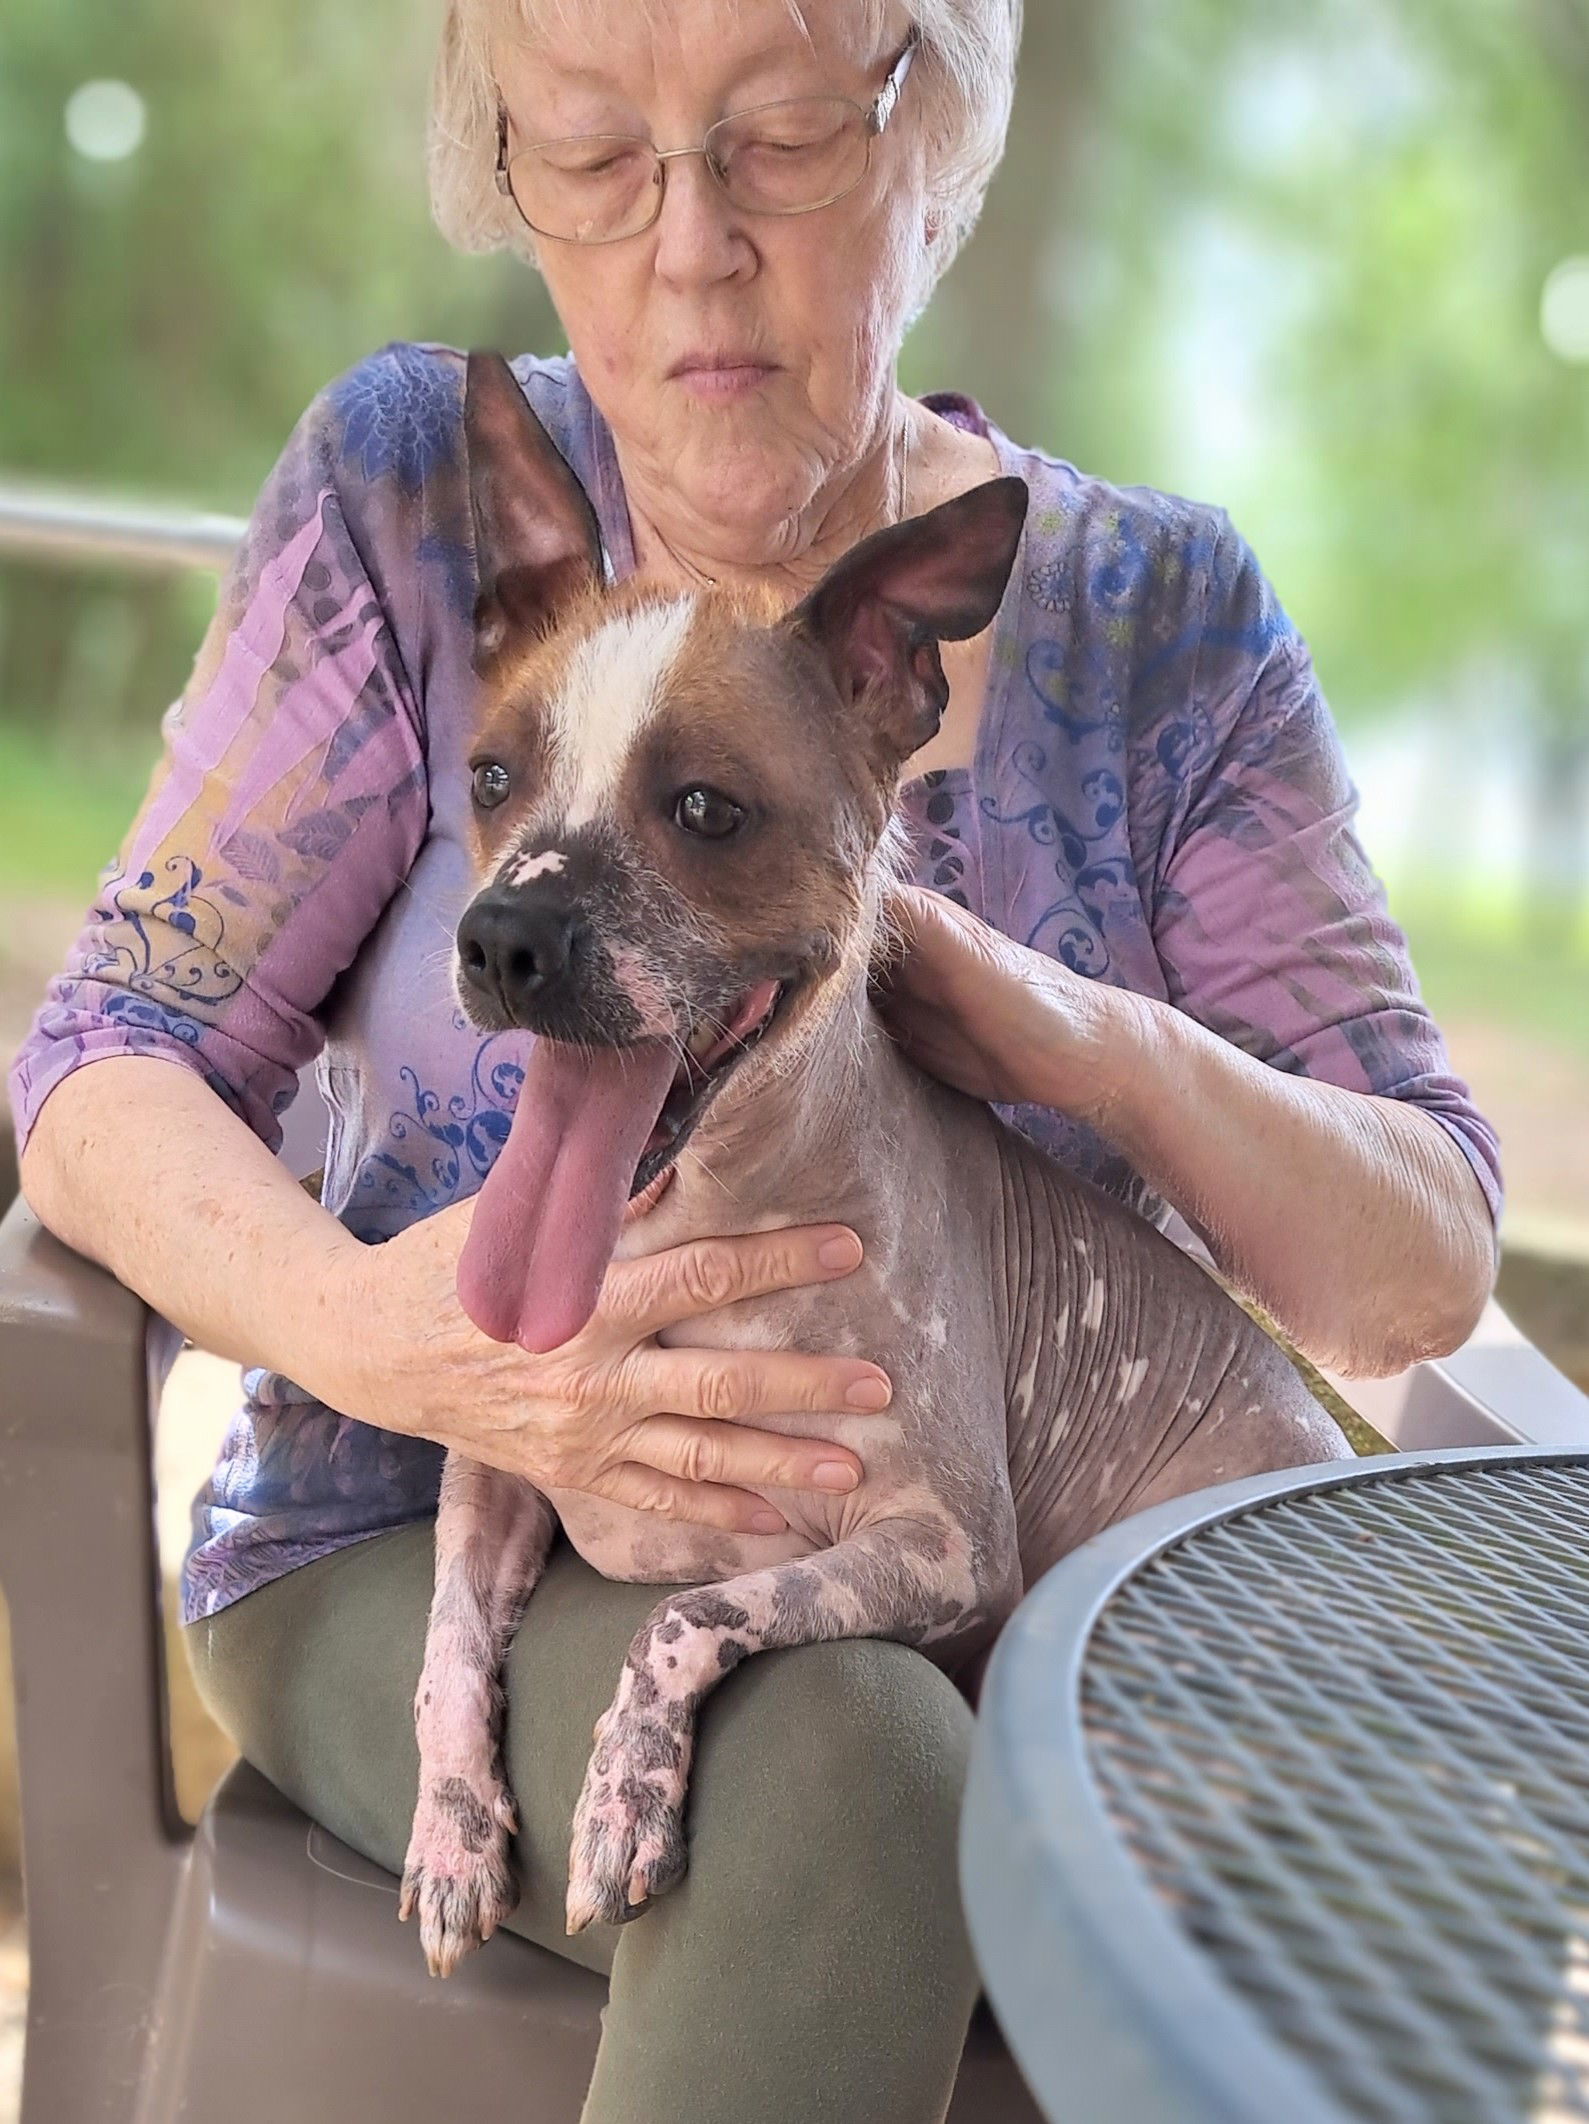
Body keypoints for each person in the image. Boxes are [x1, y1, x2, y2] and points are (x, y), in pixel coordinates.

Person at [10, 2, 1502, 2118]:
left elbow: (1421, 1264)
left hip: (1051, 1586)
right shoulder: (414, 498)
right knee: (853, 1767)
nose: (689, 243)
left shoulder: (1166, 623)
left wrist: (1089, 1044)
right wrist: (400, 1340)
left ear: (942, 131)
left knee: (1417, 1809)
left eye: (782, 136)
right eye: (596, 154)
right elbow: (100, 1061)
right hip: (417, 1538)